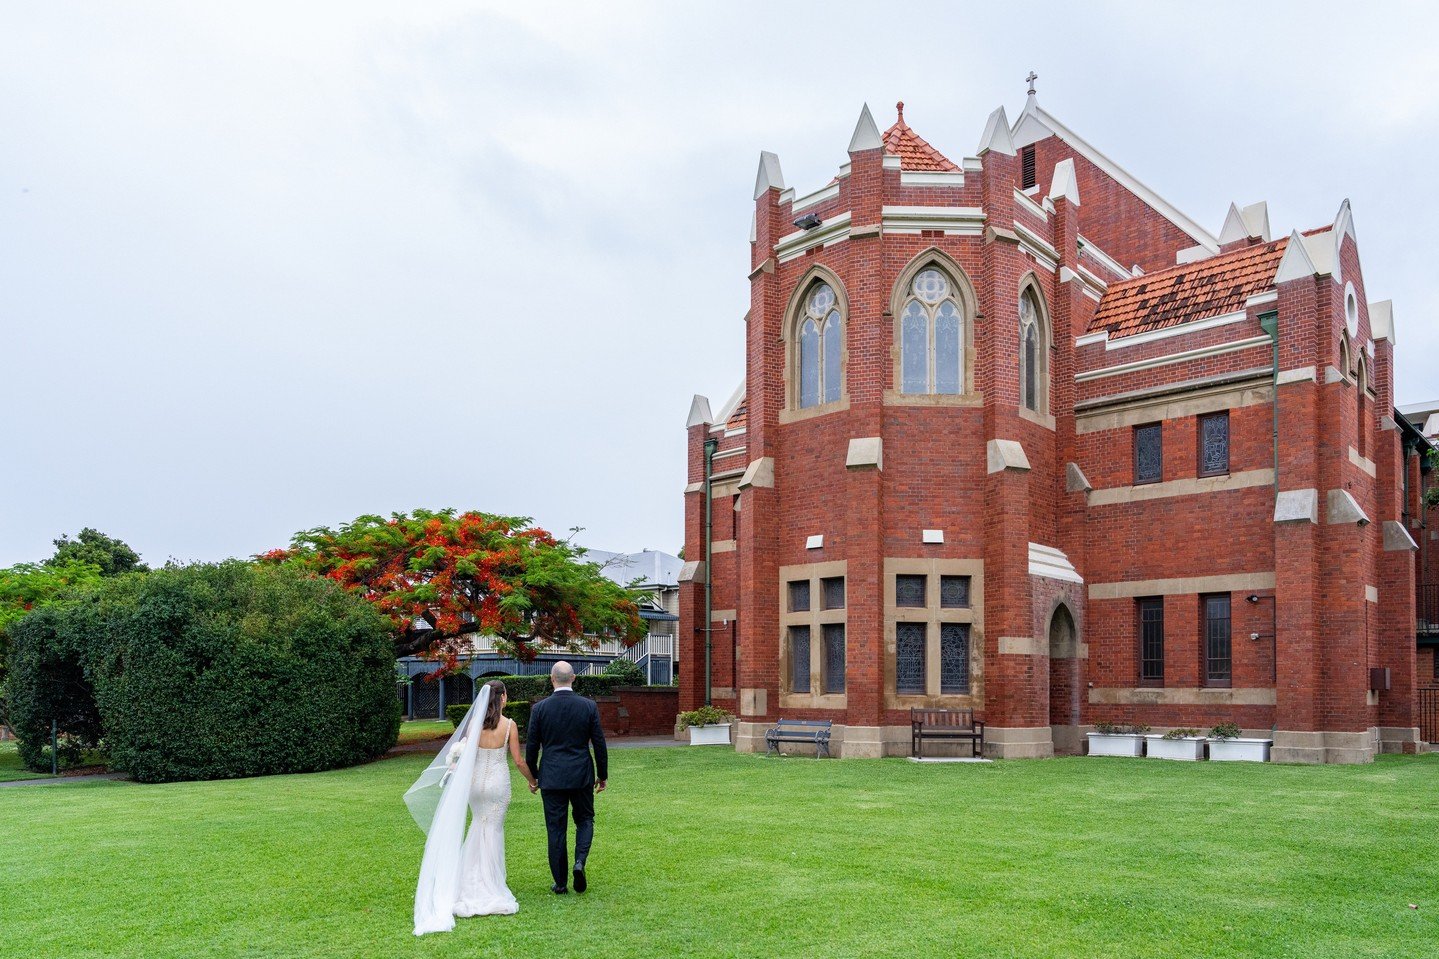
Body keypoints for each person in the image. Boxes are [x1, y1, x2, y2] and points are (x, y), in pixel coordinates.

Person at [407, 679, 537, 935]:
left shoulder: (475, 726)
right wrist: (533, 780)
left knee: (478, 826)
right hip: (498, 784)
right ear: (501, 698)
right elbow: (519, 760)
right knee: (494, 831)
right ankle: (492, 884)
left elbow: (464, 754)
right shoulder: (509, 725)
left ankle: (469, 882)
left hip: (475, 785)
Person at [525, 661, 607, 894]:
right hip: (581, 774)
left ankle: (560, 882)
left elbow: (531, 749)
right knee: (585, 820)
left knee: (556, 828)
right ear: (573, 678)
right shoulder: (588, 706)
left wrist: (535, 777)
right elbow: (599, 743)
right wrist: (602, 775)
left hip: (551, 776)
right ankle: (580, 861)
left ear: (552, 679)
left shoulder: (539, 709)